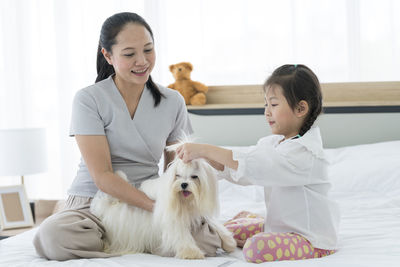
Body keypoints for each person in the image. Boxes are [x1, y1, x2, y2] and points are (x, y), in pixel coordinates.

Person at [33, 12, 223, 261]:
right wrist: (158, 209)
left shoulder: (172, 101)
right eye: (129, 54)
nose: (142, 61)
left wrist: (173, 208)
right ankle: (116, 235)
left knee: (205, 242)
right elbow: (102, 176)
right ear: (108, 55)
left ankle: (123, 241)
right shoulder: (88, 99)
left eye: (148, 50)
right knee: (53, 238)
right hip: (96, 203)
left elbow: (177, 169)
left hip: (151, 197)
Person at [176, 64, 340, 263]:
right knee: (225, 230)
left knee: (255, 249)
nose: (267, 112)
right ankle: (259, 223)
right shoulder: (275, 143)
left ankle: (263, 228)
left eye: (274, 104)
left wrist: (205, 149)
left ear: (300, 108)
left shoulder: (305, 153)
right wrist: (204, 159)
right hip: (277, 227)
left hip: (310, 239)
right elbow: (242, 168)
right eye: (266, 105)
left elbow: (257, 166)